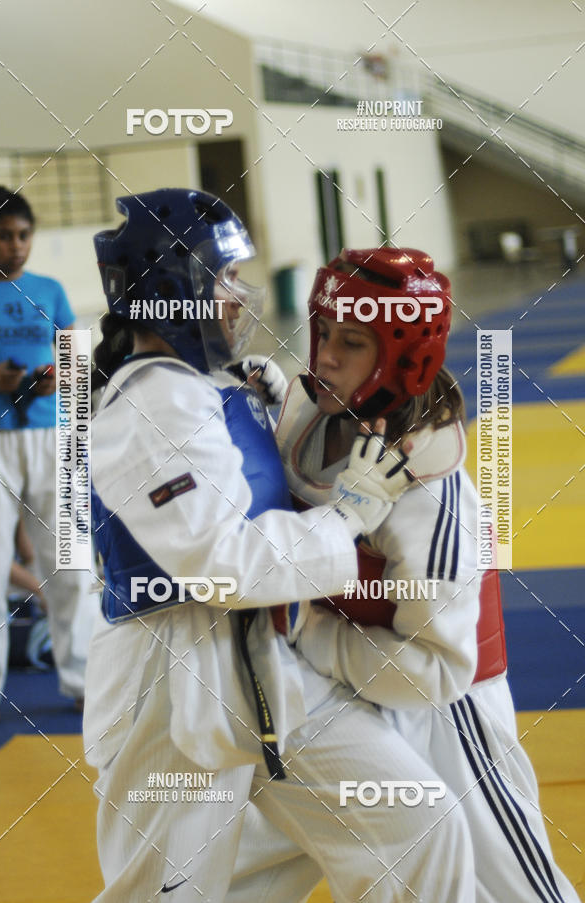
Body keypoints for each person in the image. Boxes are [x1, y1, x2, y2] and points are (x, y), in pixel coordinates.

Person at [83, 189, 477, 903]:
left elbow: (228, 462)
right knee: (169, 893)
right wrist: (350, 516)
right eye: (225, 278)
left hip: (261, 667)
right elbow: (222, 563)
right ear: (179, 291)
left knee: (418, 823)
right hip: (170, 682)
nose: (241, 295)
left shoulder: (200, 384)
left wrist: (253, 399)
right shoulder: (148, 405)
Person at [227, 247, 580, 903]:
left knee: (515, 887)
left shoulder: (430, 493)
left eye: (352, 343)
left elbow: (437, 670)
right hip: (329, 698)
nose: (325, 355)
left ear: (403, 358)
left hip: (447, 714)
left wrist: (309, 634)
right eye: (323, 331)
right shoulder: (309, 408)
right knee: (249, 866)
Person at [0, 181, 93, 725]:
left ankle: (83, 680)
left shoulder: (50, 290)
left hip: (57, 437)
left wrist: (55, 381)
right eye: (4, 235)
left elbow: (77, 361)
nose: (16, 245)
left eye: (24, 235)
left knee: (71, 563)